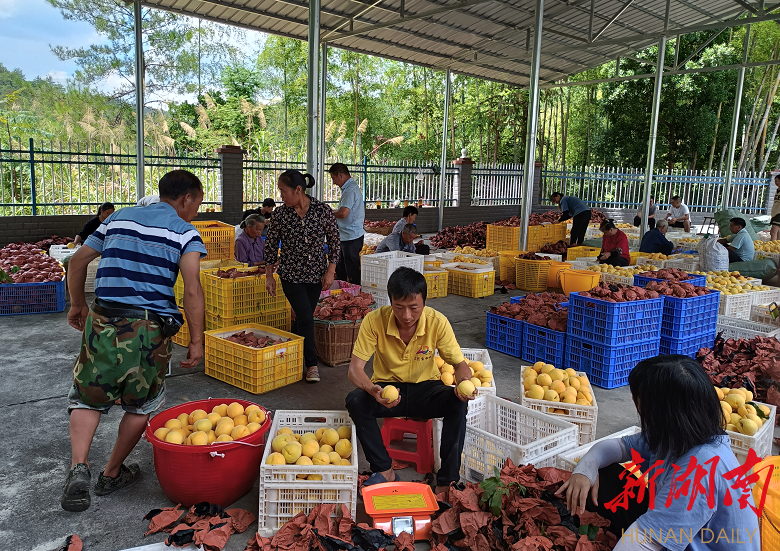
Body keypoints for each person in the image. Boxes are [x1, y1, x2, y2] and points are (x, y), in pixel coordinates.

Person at [61, 170, 207, 513]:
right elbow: (192, 289)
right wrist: (197, 341)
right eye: (197, 204)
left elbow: (77, 260)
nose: (196, 212)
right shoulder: (184, 232)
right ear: (186, 198)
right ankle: (111, 473)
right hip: (147, 329)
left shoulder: (118, 217)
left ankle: (78, 467)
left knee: (87, 396)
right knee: (140, 405)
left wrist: (78, 304)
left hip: (101, 319)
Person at [556, 355, 759, 549]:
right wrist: (584, 471)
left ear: (664, 412)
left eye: (640, 402)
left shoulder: (701, 465)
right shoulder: (674, 437)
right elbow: (615, 448)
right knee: (606, 476)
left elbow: (643, 541)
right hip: (679, 533)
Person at [345, 267, 475, 492]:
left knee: (457, 402)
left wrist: (463, 385)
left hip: (426, 389)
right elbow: (354, 370)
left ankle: (447, 480)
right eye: (399, 307)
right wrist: (373, 390)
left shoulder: (437, 322)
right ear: (390, 302)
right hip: (386, 388)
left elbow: (460, 365)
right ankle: (384, 468)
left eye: (414, 308)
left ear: (424, 302)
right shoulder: (374, 321)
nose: (406, 316)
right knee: (355, 400)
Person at [264, 170, 341, 384]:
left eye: (283, 191)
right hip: (290, 275)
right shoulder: (280, 214)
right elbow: (270, 246)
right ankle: (312, 365)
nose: (281, 196)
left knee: (302, 317)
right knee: (306, 317)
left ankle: (294, 356)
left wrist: (331, 271)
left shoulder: (321, 210)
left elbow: (335, 242)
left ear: (298, 190)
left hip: (316, 275)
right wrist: (270, 276)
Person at [330, 163, 365, 284]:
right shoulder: (349, 189)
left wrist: (328, 213)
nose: (334, 182)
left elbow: (343, 213)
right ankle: (344, 292)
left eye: (333, 178)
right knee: (342, 269)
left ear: (340, 175)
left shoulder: (350, 190)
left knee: (352, 271)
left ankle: (354, 295)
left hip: (351, 236)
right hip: (347, 235)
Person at [771, 174, 780, 241]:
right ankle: (777, 248)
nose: (777, 182)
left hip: (779, 214)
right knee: (778, 233)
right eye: (775, 181)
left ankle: (772, 247)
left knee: (773, 232)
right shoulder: (777, 190)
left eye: (779, 181)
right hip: (775, 213)